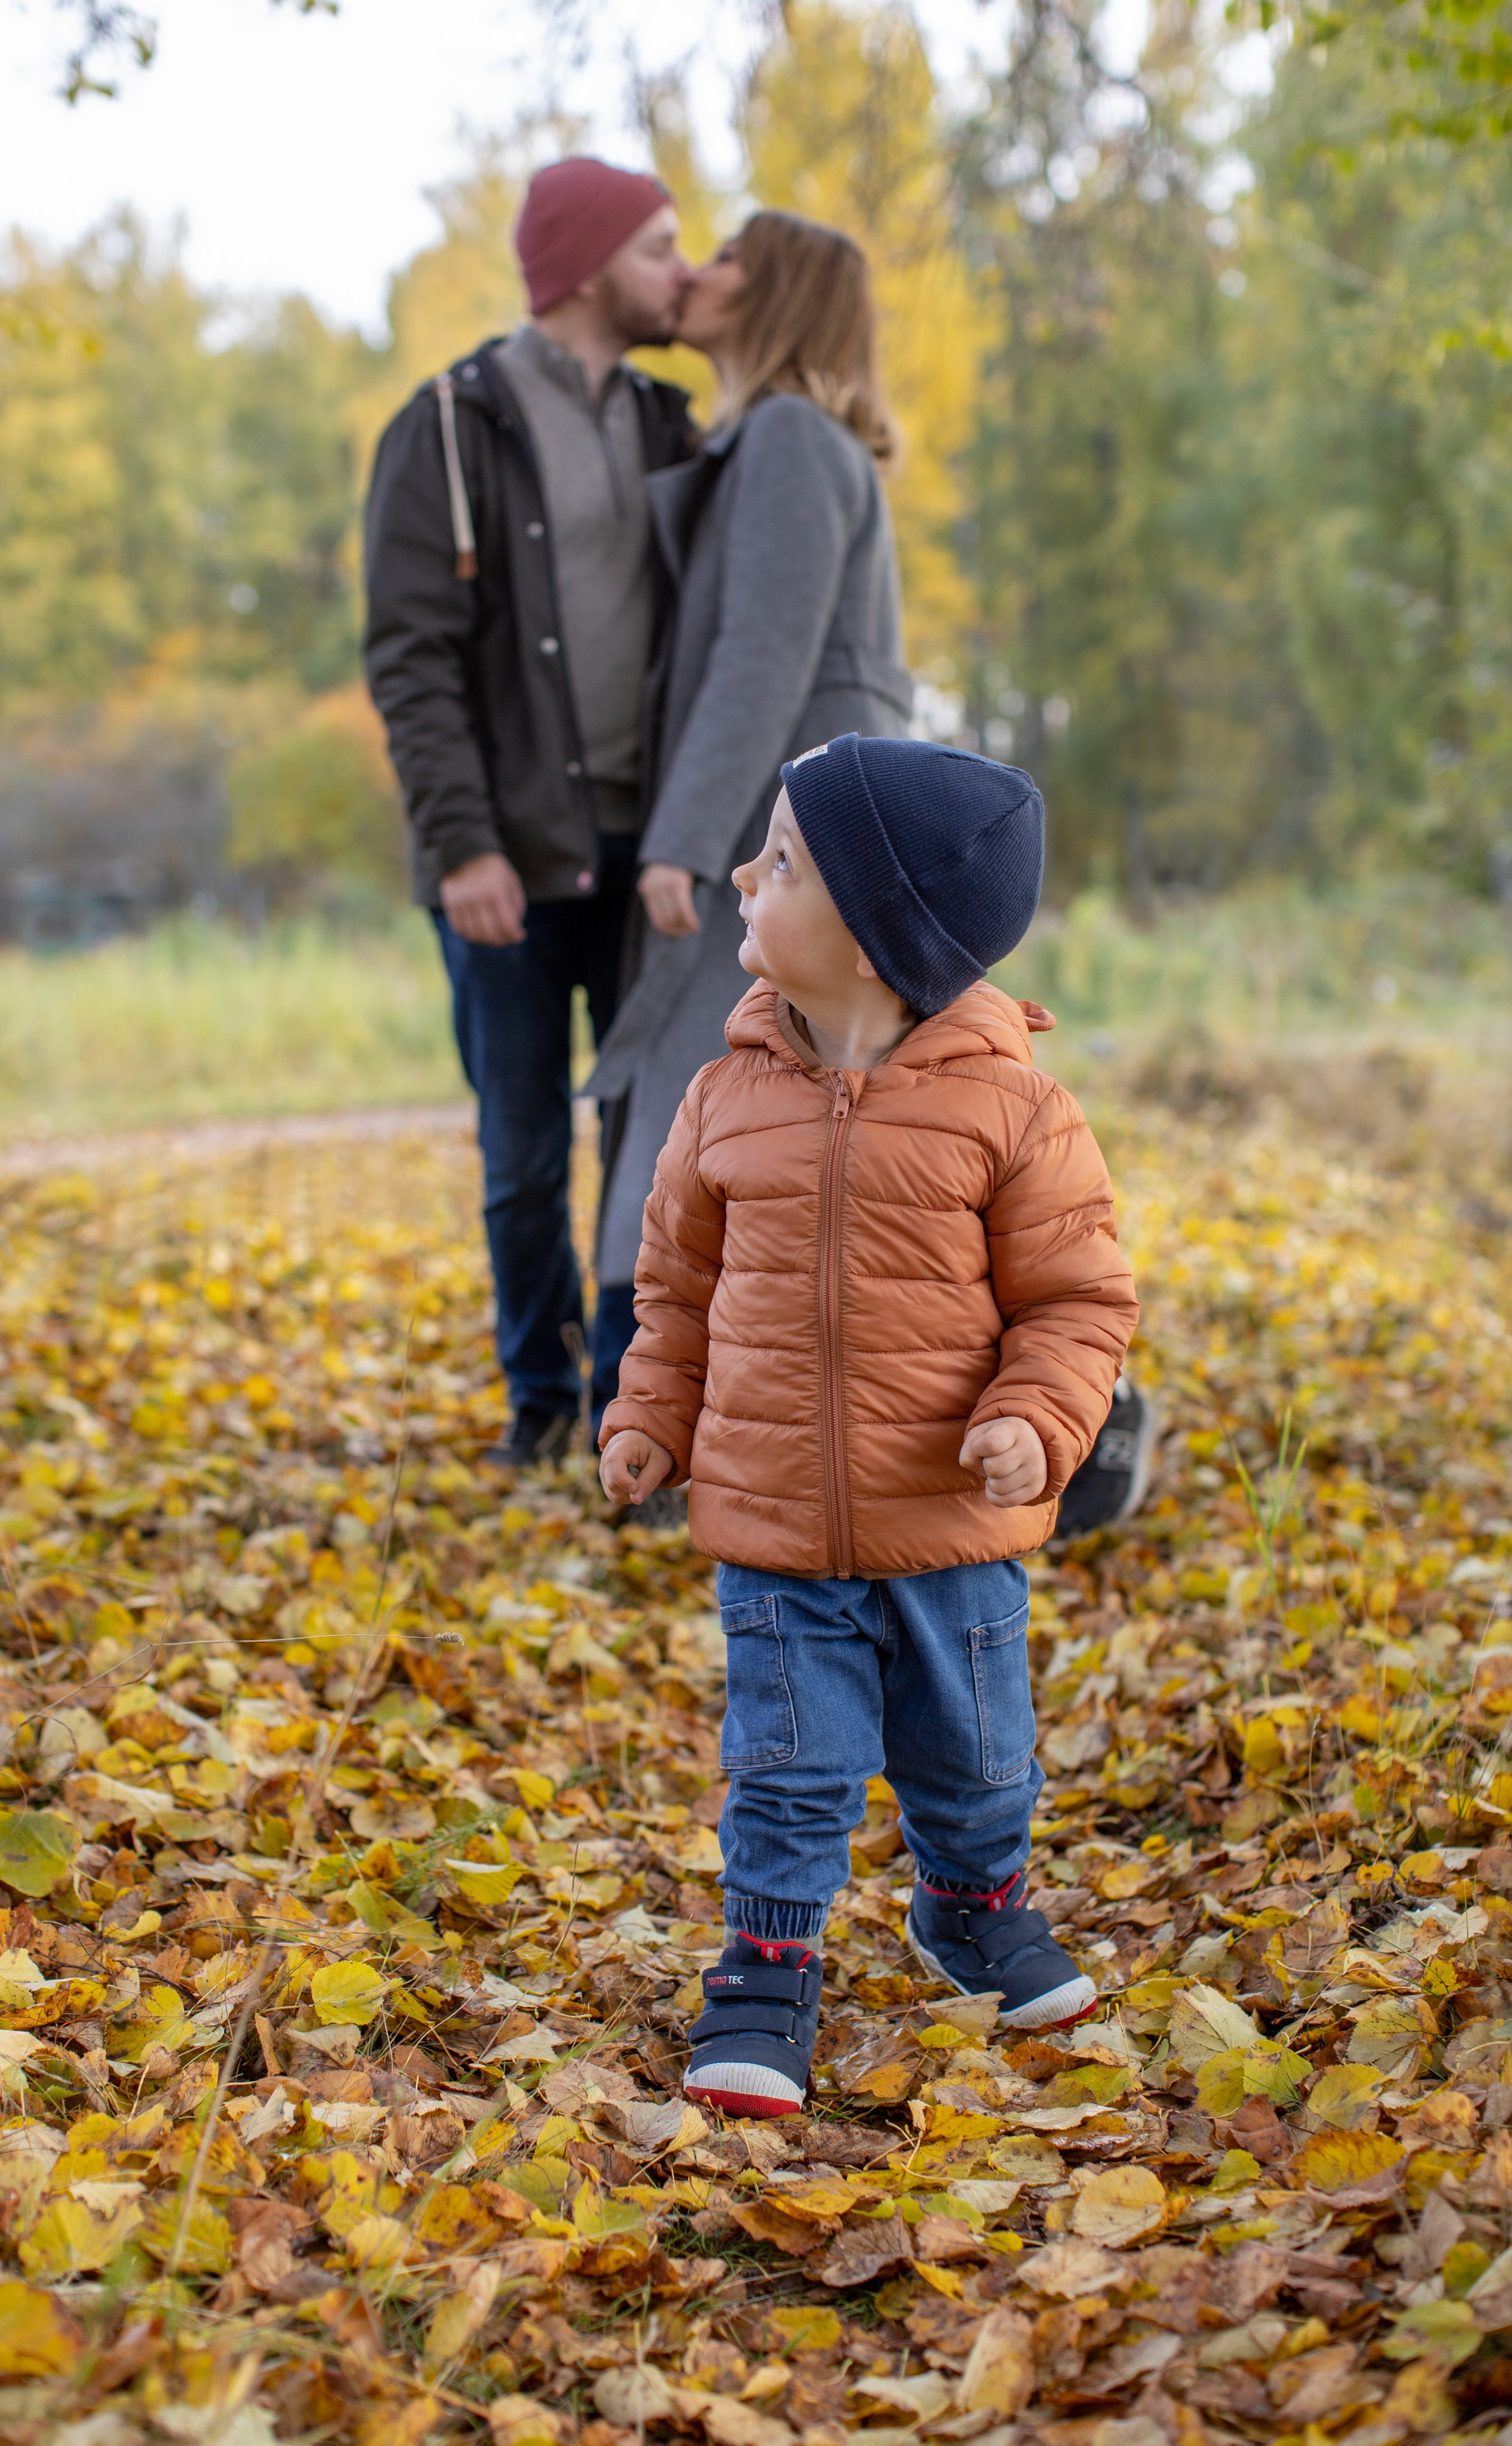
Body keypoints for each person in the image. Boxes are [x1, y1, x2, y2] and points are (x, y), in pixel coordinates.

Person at [597, 735, 1139, 2115]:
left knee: (974, 1757)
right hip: (775, 1524)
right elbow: (675, 1290)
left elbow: (1077, 1302)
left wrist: (1035, 1419)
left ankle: (969, 1904)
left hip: (951, 1526)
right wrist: (648, 1416)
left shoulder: (1009, 1107)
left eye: (778, 860)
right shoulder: (722, 1099)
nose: (739, 873)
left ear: (876, 930)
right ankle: (766, 1967)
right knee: (787, 1769)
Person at [364, 158, 698, 1468]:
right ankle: (541, 1409)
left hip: (648, 853)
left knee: (651, 1142)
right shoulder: (449, 425)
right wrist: (461, 843)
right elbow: (410, 654)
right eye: (661, 247)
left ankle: (634, 1408)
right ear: (584, 263)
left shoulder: (675, 425)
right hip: (504, 857)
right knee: (520, 1148)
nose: (680, 271)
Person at [585, 211, 913, 1438]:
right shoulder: (775, 443)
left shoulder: (785, 438)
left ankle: (665, 1421)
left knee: (728, 1100)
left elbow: (762, 660)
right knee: (793, 1117)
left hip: (794, 837)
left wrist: (683, 841)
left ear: (772, 298)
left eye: (723, 258)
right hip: (800, 828)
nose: (695, 273)